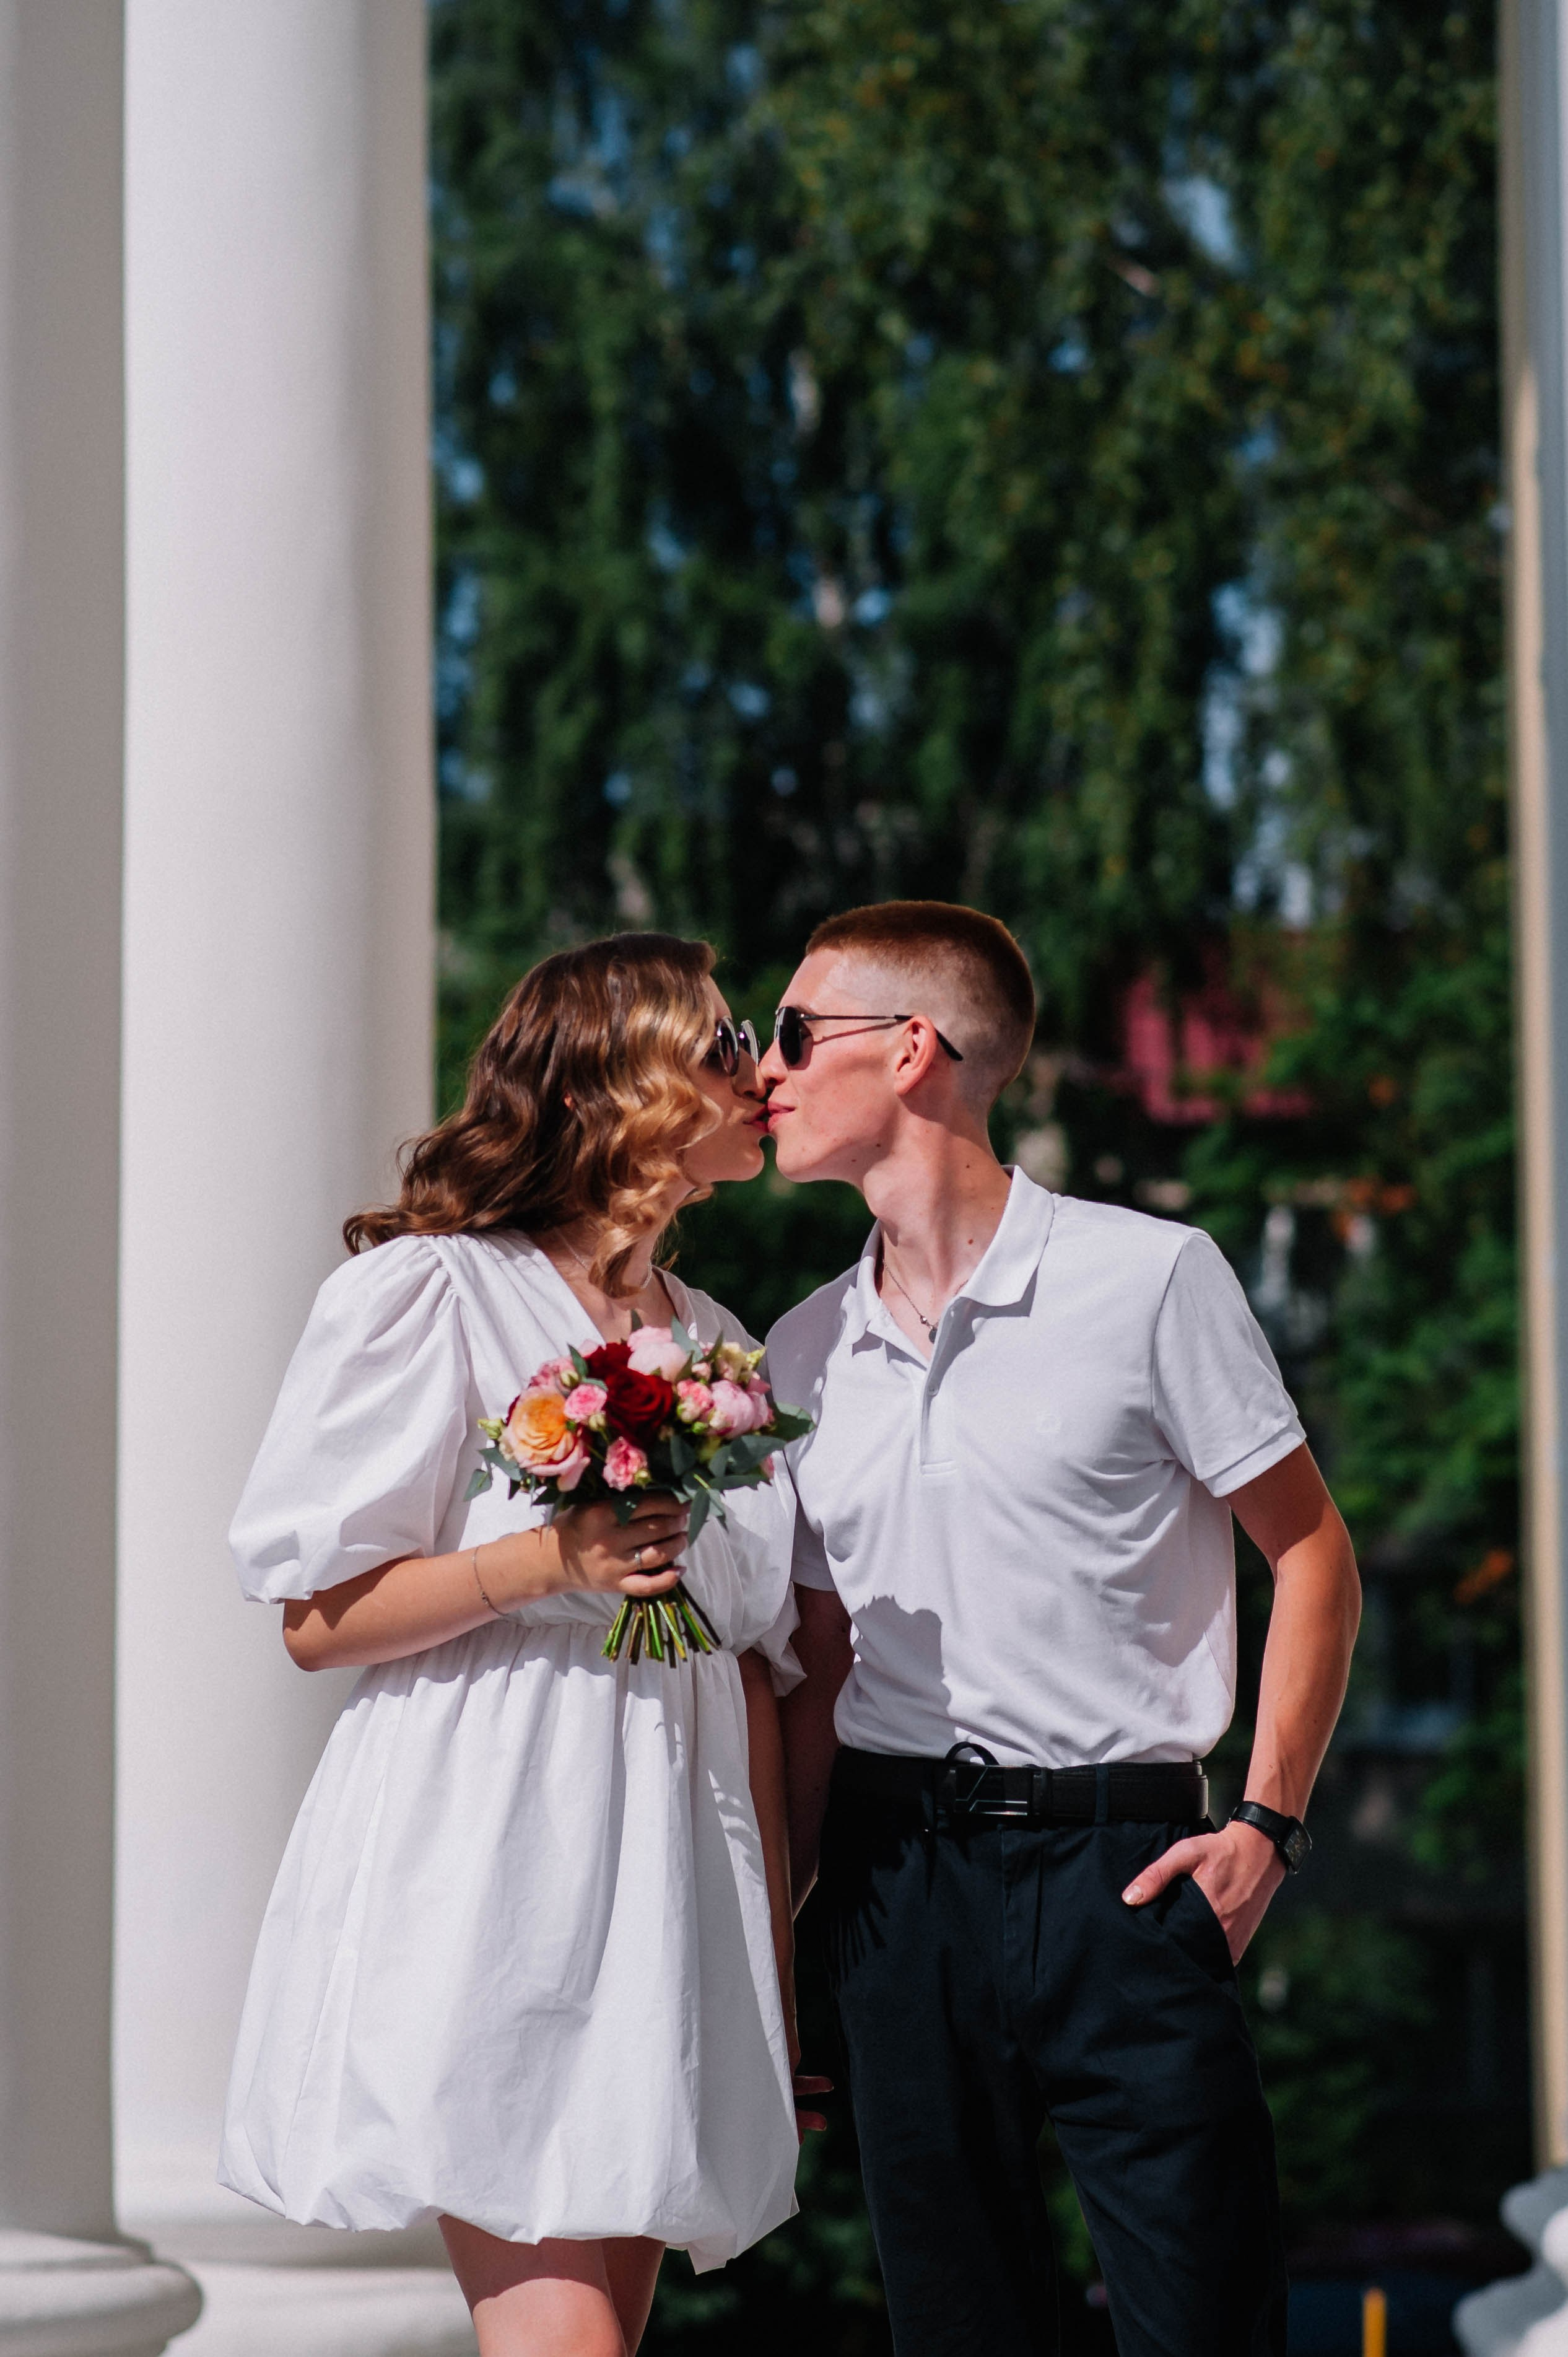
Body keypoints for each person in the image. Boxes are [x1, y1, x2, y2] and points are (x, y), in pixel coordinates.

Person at [762, 899, 1362, 2357]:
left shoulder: (1148, 1276)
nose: (759, 1071)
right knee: (956, 2331)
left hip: (1132, 1875)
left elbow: (1316, 1553)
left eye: (789, 1034)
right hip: (898, 1886)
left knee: (1203, 2326)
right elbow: (820, 1668)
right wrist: (778, 1944)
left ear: (914, 1050)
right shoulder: (794, 1353)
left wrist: (1269, 1827)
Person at [220, 933, 812, 2357]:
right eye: (726, 1038)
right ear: (630, 1076)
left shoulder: (722, 1342)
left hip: (672, 1873)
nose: (762, 1070)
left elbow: (744, 1660)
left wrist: (775, 1976)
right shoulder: (438, 1292)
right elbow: (318, 1618)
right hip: (499, 1849)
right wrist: (545, 1559)